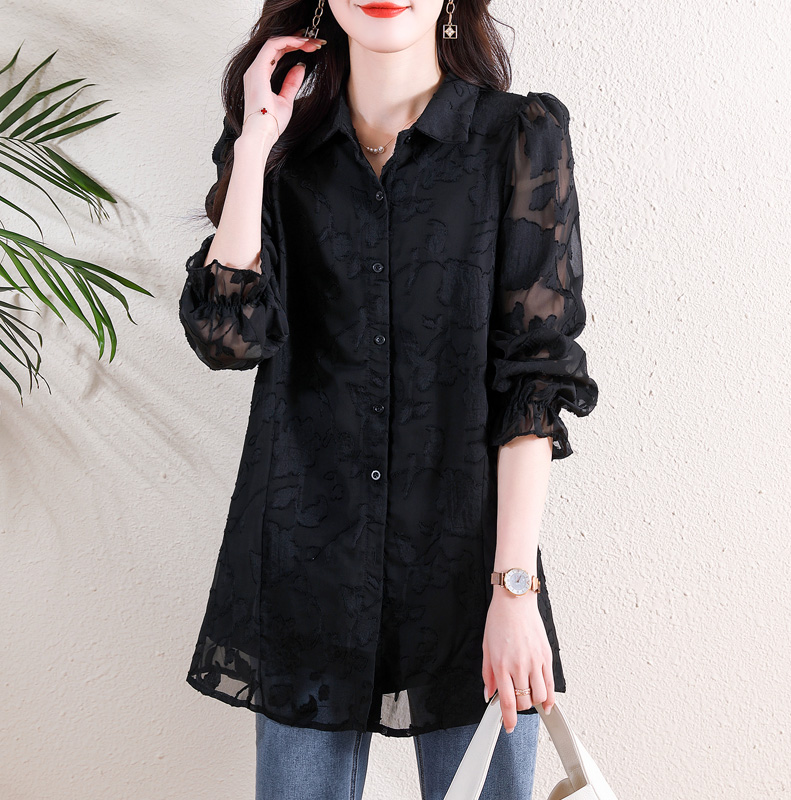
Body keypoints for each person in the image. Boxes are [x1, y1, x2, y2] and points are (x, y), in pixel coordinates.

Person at [179, 1, 598, 798]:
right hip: (307, 571)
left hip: (470, 572)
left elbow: (535, 374)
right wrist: (255, 140)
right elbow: (227, 337)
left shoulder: (518, 136)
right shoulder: (281, 152)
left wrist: (515, 590)